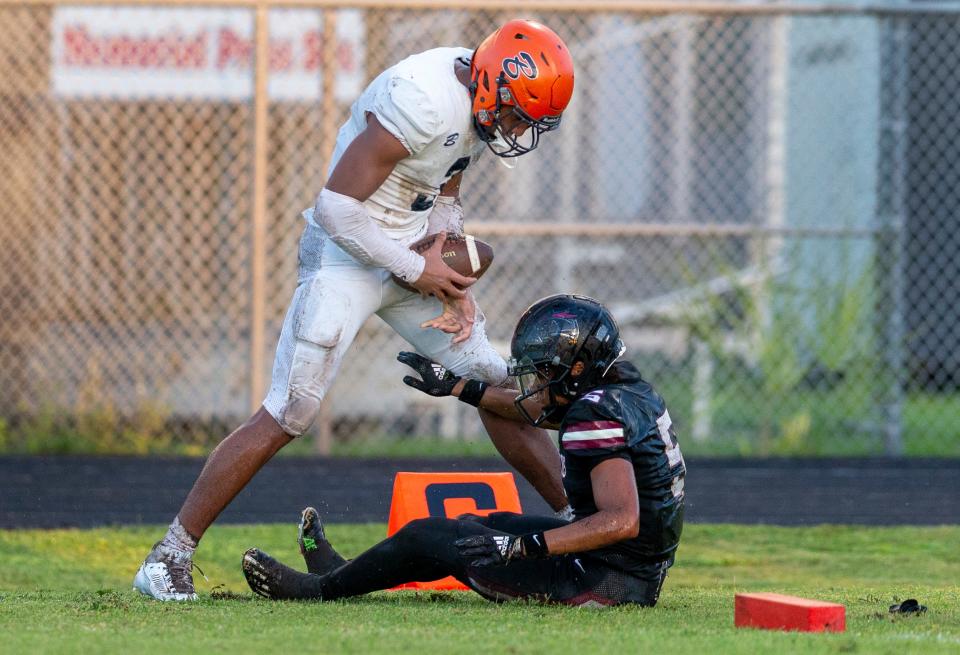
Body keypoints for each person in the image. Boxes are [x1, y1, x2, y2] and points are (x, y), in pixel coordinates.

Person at [134, 19, 575, 601]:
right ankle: (169, 555)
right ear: (492, 83)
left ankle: (578, 525)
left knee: (491, 382)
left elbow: (445, 194)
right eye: (518, 113)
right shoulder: (421, 98)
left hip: (409, 250)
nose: (518, 129)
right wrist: (419, 270)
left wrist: (454, 286)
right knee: (291, 410)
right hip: (345, 254)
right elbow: (336, 208)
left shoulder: (476, 101)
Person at [242, 295, 687, 607]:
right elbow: (539, 412)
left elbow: (621, 520)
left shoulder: (594, 414)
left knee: (427, 535)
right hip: (627, 573)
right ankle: (342, 572)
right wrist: (460, 387)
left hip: (601, 581)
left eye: (544, 370)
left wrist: (524, 547)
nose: (536, 381)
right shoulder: (628, 393)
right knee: (480, 525)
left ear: (575, 368)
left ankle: (316, 592)